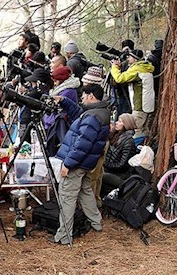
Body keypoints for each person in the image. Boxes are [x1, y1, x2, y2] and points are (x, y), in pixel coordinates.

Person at [51, 84, 110, 245]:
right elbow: (79, 114)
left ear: (91, 96)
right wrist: (64, 101)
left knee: (67, 197)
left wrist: (68, 164)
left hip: (76, 164)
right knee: (86, 193)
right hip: (85, 164)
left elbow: (81, 145)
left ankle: (64, 236)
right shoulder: (99, 112)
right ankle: (96, 223)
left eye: (84, 96)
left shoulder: (92, 117)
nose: (82, 99)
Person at [110, 49, 154, 138]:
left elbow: (119, 78)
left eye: (130, 57)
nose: (128, 59)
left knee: (137, 129)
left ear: (135, 59)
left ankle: (136, 148)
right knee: (143, 130)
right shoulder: (144, 67)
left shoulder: (137, 69)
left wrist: (114, 67)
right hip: (144, 104)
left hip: (139, 105)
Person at [101, 114, 138, 197]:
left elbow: (123, 165)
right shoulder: (116, 136)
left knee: (99, 177)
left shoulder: (129, 141)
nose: (116, 123)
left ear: (126, 124)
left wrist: (105, 164)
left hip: (120, 176)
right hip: (110, 170)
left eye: (120, 121)